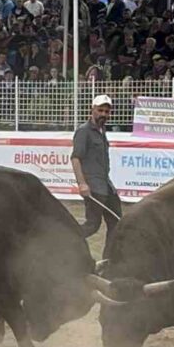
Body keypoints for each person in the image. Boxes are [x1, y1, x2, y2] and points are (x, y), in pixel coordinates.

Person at [71, 94, 121, 242]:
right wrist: (82, 184)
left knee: (117, 223)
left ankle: (109, 260)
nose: (103, 114)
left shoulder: (102, 130)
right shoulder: (83, 131)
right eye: (100, 110)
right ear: (92, 109)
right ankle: (66, 243)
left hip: (106, 186)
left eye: (106, 111)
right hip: (93, 187)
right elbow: (75, 158)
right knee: (92, 225)